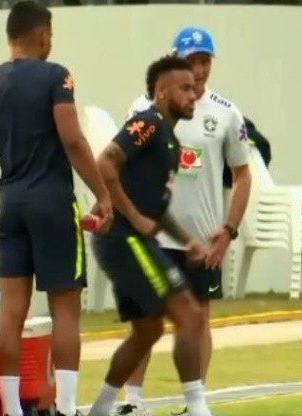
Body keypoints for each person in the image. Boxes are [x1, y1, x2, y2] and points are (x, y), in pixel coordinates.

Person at [0, 2, 113, 416]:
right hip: (51, 201)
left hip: (8, 205)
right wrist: (102, 194)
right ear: (43, 34)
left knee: (11, 312)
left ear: (9, 36)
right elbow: (73, 140)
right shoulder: (55, 76)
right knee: (66, 307)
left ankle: (13, 411)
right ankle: (66, 409)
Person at [116, 26, 252, 416]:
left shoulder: (226, 112)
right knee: (143, 319)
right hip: (154, 234)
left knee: (197, 322)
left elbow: (242, 175)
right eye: (191, 60)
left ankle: (195, 404)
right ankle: (133, 403)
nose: (199, 69)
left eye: (205, 61)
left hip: (200, 240)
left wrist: (228, 230)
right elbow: (122, 163)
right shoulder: (143, 107)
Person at [87, 56, 215, 416]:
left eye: (195, 88)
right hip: (126, 240)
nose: (194, 94)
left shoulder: (169, 139)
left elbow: (155, 205)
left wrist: (183, 237)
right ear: (161, 92)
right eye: (185, 88)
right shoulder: (148, 121)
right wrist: (134, 217)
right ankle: (197, 408)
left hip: (126, 240)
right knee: (189, 315)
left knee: (147, 331)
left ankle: (100, 409)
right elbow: (105, 161)